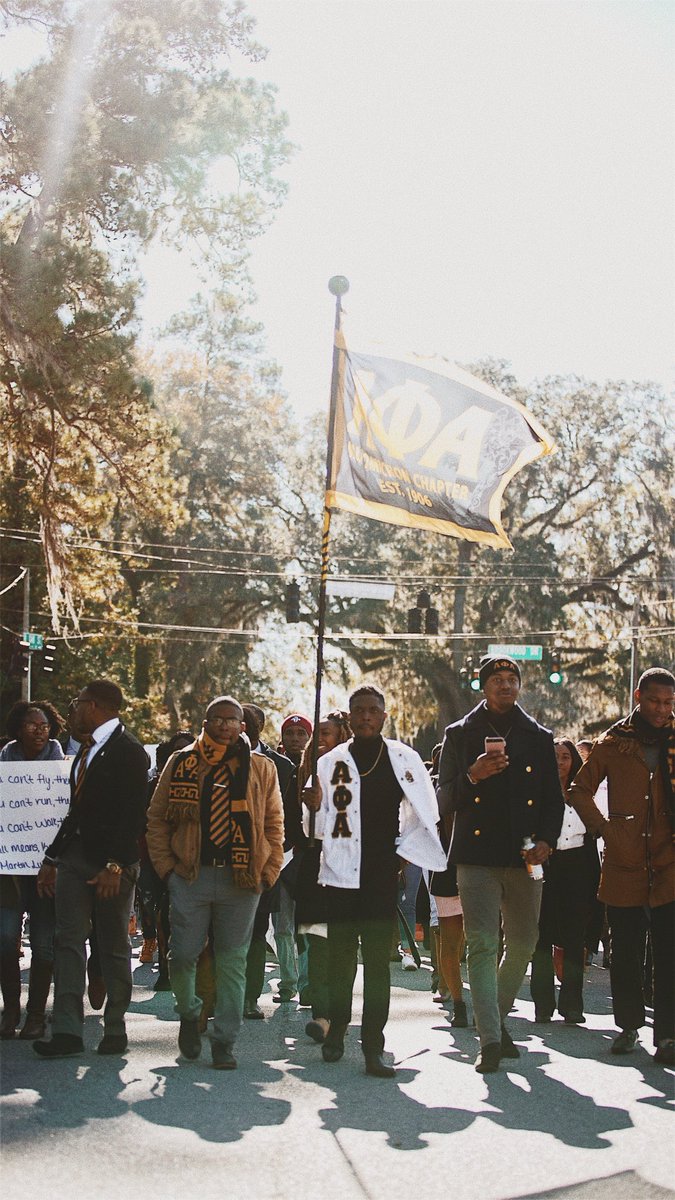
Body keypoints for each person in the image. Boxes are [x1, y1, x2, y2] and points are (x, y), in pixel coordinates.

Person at [303, 685, 446, 1078]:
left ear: (384, 716)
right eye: (359, 711)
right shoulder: (330, 762)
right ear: (349, 718)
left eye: (373, 710)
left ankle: (373, 1047)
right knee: (340, 960)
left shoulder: (403, 759)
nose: (366, 716)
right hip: (339, 874)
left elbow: (424, 813)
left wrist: (401, 856)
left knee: (379, 966)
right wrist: (312, 805)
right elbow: (315, 831)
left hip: (382, 875)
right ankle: (336, 1034)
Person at [436, 655, 564, 1074]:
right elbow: (443, 799)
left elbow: (552, 799)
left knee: (525, 941)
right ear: (483, 686)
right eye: (497, 679)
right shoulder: (460, 734)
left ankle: (495, 1017)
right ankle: (489, 1039)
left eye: (512, 679)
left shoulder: (539, 736)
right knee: (483, 943)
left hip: (527, 855)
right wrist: (473, 775)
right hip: (476, 856)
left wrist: (547, 841)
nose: (506, 686)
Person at [146, 695, 284, 1069]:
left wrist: (268, 871)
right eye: (218, 719)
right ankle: (190, 1013)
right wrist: (166, 870)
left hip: (242, 879)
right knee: (183, 955)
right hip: (191, 876)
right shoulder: (182, 762)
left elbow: (274, 824)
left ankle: (225, 1039)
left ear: (243, 726)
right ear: (205, 723)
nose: (225, 725)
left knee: (232, 962)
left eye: (232, 719)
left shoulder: (261, 767)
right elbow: (157, 820)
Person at [34, 680, 149, 1058]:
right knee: (67, 940)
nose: (73, 709)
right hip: (74, 858)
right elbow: (76, 811)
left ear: (95, 705)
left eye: (77, 702)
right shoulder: (84, 749)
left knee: (113, 942)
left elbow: (133, 814)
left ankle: (115, 1027)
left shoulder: (130, 751)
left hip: (113, 863)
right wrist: (52, 859)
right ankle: (67, 1030)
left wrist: (115, 865)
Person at [568, 667, 675, 1065]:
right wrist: (603, 829)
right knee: (626, 950)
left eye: (668, 703)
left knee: (669, 953)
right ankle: (629, 1026)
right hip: (624, 860)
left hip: (670, 860)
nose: (662, 710)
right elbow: (579, 789)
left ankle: (667, 1036)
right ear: (637, 697)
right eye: (654, 701)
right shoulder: (614, 743)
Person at [0, 701, 65, 1040]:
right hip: (8, 874)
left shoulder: (62, 768)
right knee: (5, 939)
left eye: (45, 725)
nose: (40, 731)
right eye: (31, 725)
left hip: (47, 873)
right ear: (17, 728)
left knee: (43, 945)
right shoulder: (3, 764)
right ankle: (10, 1010)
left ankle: (36, 1015)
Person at [530, 738, 599, 1024]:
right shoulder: (537, 792)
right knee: (542, 937)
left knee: (574, 937)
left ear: (574, 762)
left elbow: (595, 830)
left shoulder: (582, 793)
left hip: (578, 868)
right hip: (546, 866)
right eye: (555, 756)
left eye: (566, 757)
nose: (560, 762)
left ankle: (572, 1004)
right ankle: (543, 1005)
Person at [294, 710, 352, 1044]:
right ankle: (321, 1013)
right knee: (317, 942)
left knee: (341, 944)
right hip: (315, 865)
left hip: (345, 865)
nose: (319, 741)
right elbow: (308, 830)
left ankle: (339, 1012)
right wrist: (313, 806)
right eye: (317, 735)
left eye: (326, 734)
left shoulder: (350, 772)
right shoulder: (307, 774)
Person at [241, 704, 297, 1014]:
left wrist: (275, 858)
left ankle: (249, 998)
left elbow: (284, 820)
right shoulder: (208, 761)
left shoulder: (282, 766)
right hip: (219, 863)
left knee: (257, 929)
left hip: (264, 862)